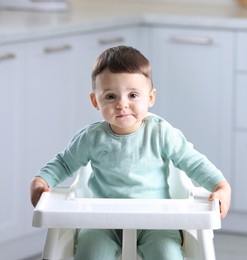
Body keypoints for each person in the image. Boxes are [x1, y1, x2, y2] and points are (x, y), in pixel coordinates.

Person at [30, 45, 231, 260]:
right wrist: (42, 180)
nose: (122, 104)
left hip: (156, 221)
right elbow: (64, 163)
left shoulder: (161, 133)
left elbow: (193, 162)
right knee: (91, 253)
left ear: (150, 98)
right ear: (95, 101)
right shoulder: (91, 138)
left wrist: (220, 186)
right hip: (101, 221)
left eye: (133, 95)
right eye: (110, 96)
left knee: (167, 254)